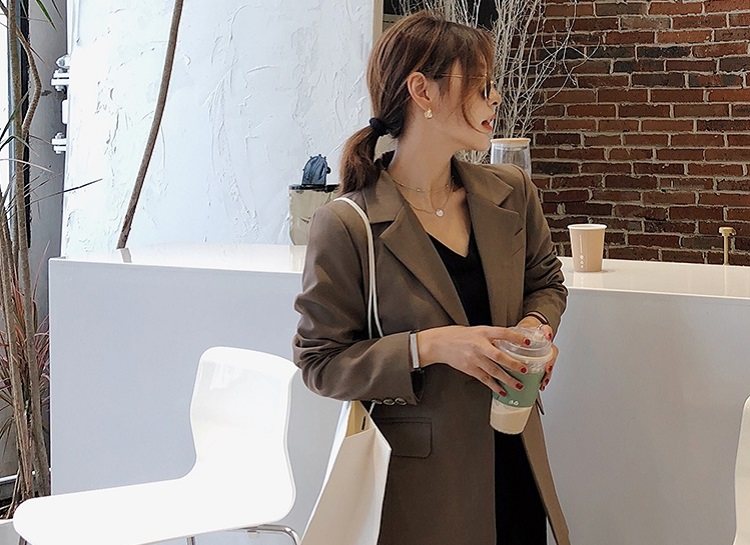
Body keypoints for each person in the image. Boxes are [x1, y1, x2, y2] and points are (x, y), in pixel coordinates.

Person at [293, 11, 569, 545]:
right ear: (422, 90)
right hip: (423, 484)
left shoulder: (511, 192)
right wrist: (432, 346)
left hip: (516, 453)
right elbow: (320, 363)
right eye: (481, 85)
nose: (495, 99)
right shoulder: (348, 224)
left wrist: (536, 327)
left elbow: (546, 282)